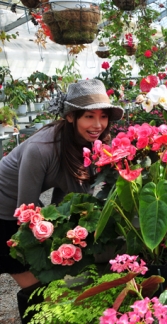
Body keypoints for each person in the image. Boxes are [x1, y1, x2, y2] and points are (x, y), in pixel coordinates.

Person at [0, 79, 123, 323]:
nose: (98, 125)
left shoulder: (81, 143)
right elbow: (26, 209)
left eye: (103, 116)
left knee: (51, 281)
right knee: (36, 282)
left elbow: (71, 198)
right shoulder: (41, 148)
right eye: (89, 116)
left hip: (18, 210)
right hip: (4, 213)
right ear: (70, 117)